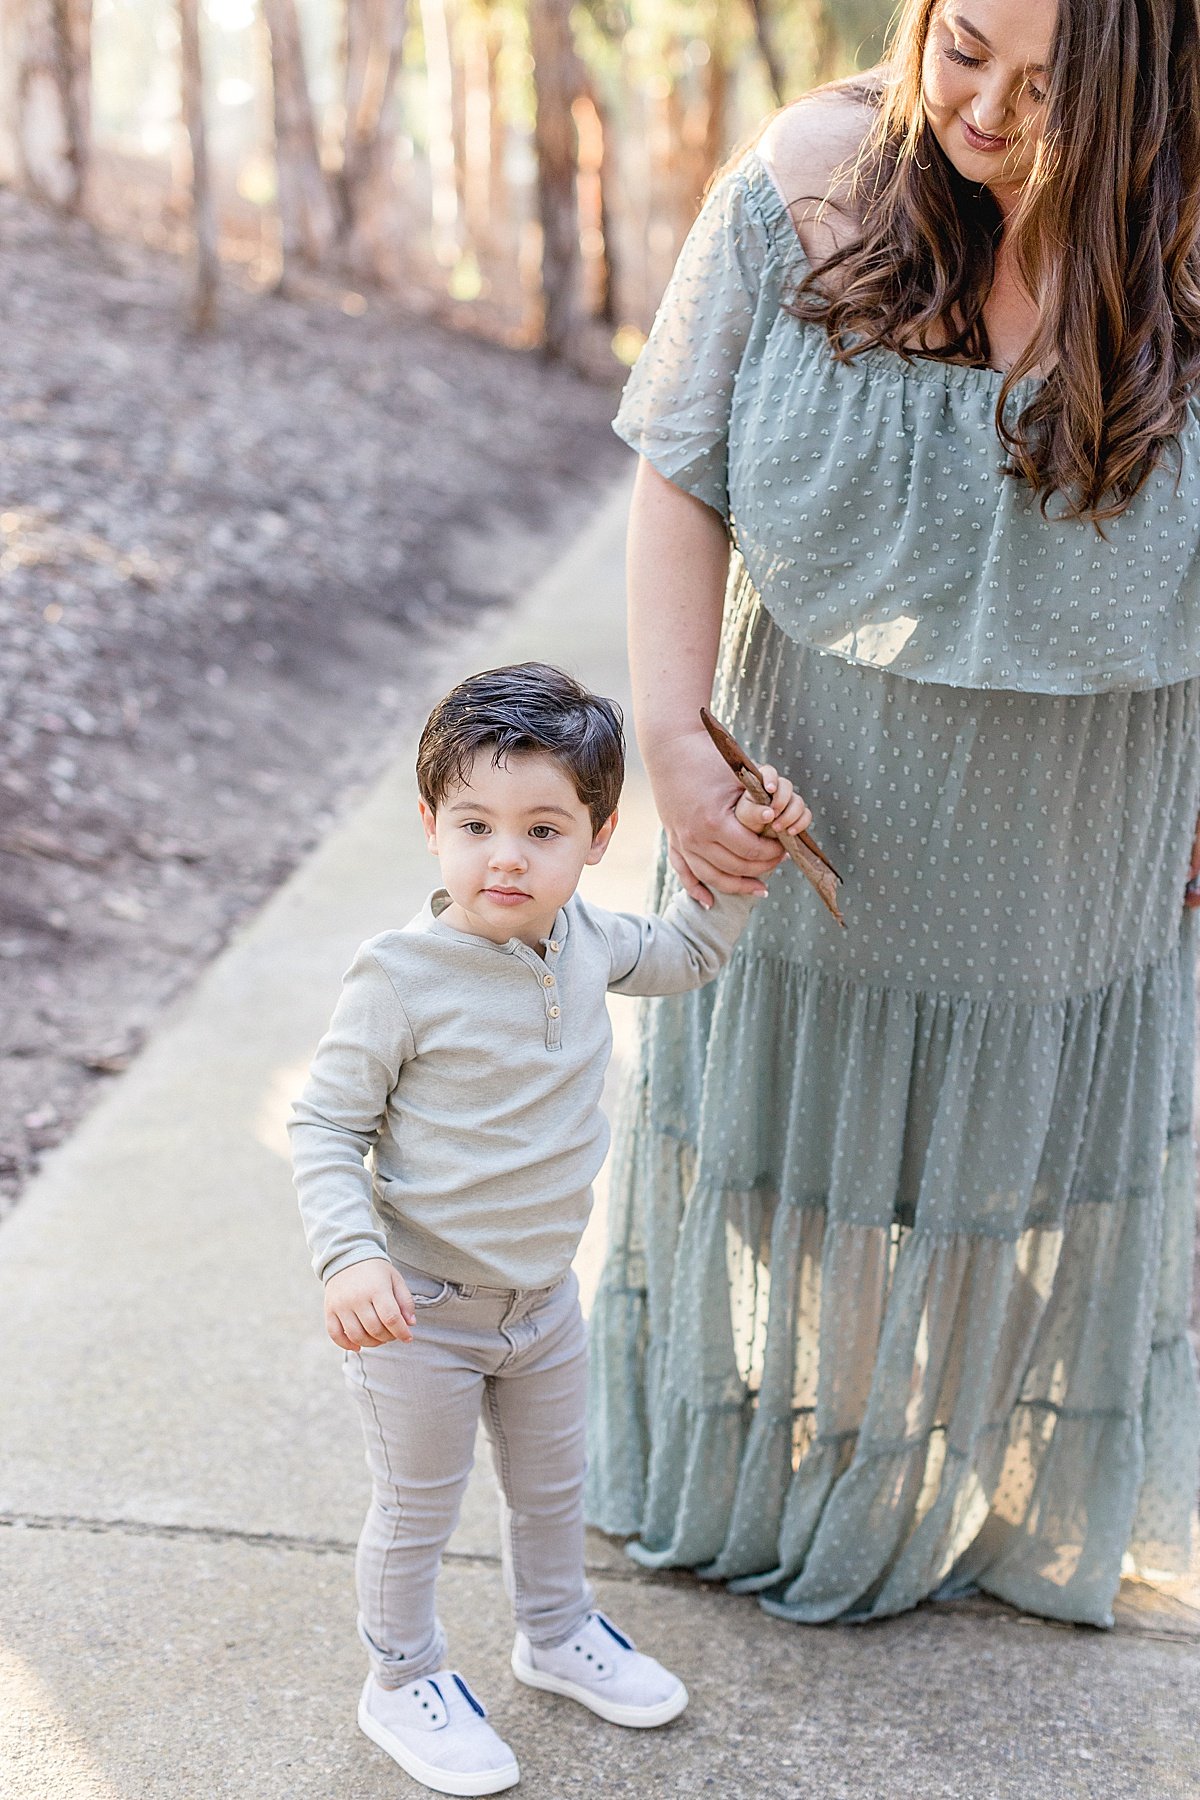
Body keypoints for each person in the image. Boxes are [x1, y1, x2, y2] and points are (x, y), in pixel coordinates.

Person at [586, 0, 1200, 1631]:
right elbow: (680, 461)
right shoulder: (805, 181)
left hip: (1087, 827)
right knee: (806, 1186)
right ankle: (828, 1463)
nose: (984, 110)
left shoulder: (1186, 235)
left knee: (1016, 1182)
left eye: (1049, 89)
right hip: (821, 791)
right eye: (963, 48)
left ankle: (973, 1486)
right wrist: (671, 733)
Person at [289, 662, 809, 1797]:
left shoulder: (586, 940)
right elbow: (324, 1125)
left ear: (597, 836)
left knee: (551, 1490)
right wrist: (349, 1256)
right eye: (474, 825)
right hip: (416, 1314)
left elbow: (684, 955)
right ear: (430, 826)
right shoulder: (400, 977)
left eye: (542, 829)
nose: (506, 857)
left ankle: (556, 1630)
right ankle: (402, 1679)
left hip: (541, 1306)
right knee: (416, 1512)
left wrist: (744, 852)